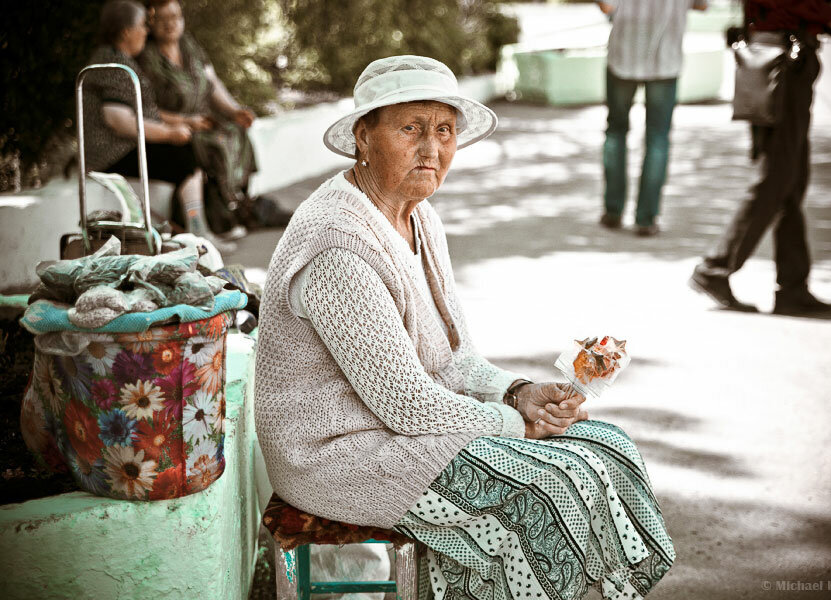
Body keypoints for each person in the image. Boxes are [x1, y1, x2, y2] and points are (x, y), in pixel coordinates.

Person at [255, 55, 675, 600]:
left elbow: (452, 360)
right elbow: (406, 403)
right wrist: (514, 425)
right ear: (363, 136)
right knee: (548, 490)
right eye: (411, 128)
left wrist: (520, 394)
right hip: (338, 455)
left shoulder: (418, 216)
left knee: (605, 447)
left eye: (445, 130)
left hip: (399, 430)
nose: (432, 149)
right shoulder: (338, 244)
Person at [689, 0, 831, 314]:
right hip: (779, 62)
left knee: (791, 180)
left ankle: (792, 287)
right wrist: (829, 12)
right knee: (775, 177)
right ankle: (715, 268)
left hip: (789, 58)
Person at [83, 0, 233, 251]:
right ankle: (200, 236)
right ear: (126, 32)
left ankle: (200, 231)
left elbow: (147, 114)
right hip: (112, 153)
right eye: (143, 25)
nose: (147, 31)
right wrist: (169, 134)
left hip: (124, 146)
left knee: (191, 153)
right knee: (185, 160)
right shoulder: (112, 64)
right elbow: (120, 122)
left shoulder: (121, 60)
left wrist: (185, 122)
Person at [140, 0, 293, 239]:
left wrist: (234, 111)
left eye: (175, 17)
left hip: (201, 120)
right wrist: (183, 121)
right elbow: (146, 109)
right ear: (150, 22)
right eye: (162, 18)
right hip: (174, 126)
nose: (170, 24)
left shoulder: (189, 45)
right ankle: (220, 215)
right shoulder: (145, 55)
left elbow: (212, 85)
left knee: (236, 133)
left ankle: (237, 203)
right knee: (214, 146)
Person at [596, 0, 708, 236]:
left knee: (616, 131)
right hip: (665, 56)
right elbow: (702, 5)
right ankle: (646, 219)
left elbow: (606, 5)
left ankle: (613, 211)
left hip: (624, 51)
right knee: (658, 138)